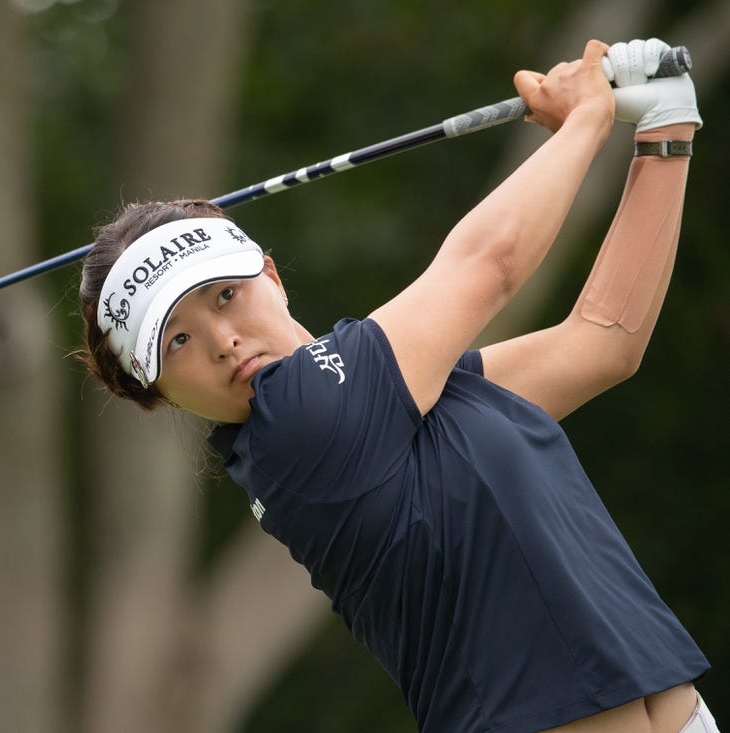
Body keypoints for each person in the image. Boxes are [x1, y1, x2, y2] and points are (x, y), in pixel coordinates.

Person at [77, 38, 713, 733]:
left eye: (225, 295)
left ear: (272, 274)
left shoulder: (396, 403)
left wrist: (665, 130)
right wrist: (588, 114)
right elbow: (488, 262)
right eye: (178, 342)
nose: (222, 340)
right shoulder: (301, 423)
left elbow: (602, 342)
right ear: (162, 394)